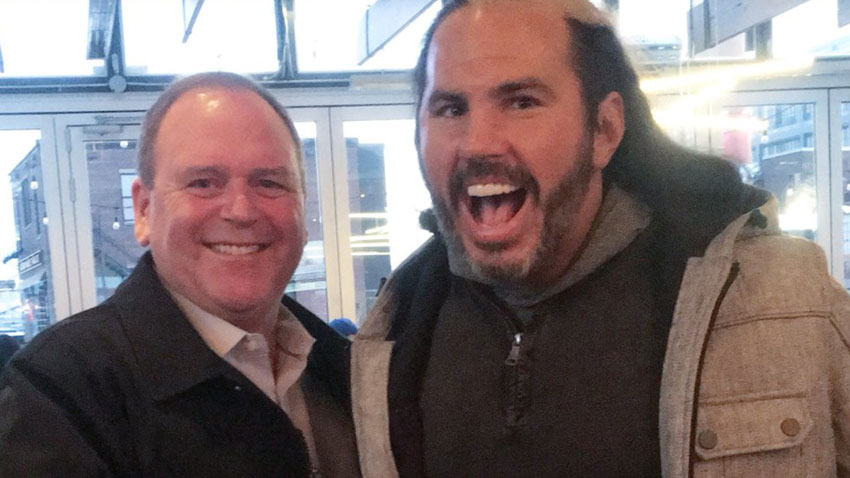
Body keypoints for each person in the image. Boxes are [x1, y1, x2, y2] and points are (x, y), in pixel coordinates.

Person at [350, 1, 850, 477]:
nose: (477, 142)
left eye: (522, 102)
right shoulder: (393, 337)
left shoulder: (781, 299)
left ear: (605, 130)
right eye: (450, 108)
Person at [0, 72, 359, 477]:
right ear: (143, 211)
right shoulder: (60, 391)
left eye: (270, 183)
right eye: (203, 183)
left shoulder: (351, 371)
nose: (241, 210)